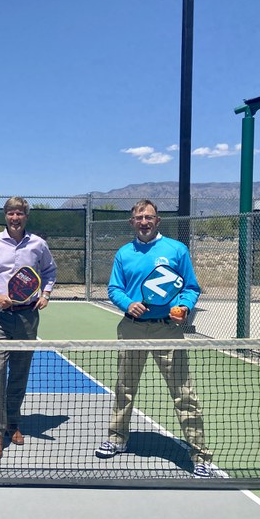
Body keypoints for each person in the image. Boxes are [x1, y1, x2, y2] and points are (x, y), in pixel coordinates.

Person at [94, 199, 215, 478]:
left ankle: (200, 454)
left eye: (149, 217)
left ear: (157, 221)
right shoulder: (124, 253)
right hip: (132, 328)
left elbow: (191, 287)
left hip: (167, 330)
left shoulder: (176, 249)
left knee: (184, 393)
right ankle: (117, 438)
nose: (144, 222)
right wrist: (127, 304)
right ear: (132, 222)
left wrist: (184, 307)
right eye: (139, 217)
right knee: (124, 388)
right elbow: (114, 288)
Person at [0, 196, 56, 460]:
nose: (15, 217)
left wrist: (46, 294)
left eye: (20, 213)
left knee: (20, 371)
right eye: (11, 213)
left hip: (27, 317)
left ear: (26, 216)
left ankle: (13, 422)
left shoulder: (38, 244)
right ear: (5, 216)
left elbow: (50, 272)